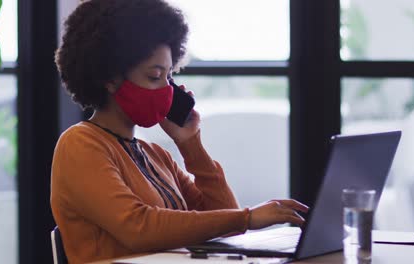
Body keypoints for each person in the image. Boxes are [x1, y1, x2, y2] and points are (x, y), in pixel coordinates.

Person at [51, 0, 308, 263]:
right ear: (109, 78)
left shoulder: (155, 155)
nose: (168, 89)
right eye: (155, 76)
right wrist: (248, 217)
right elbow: (139, 228)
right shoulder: (80, 144)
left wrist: (191, 145)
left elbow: (226, 220)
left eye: (169, 76)